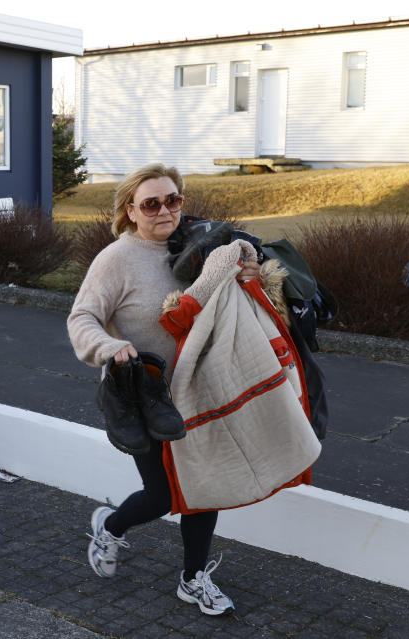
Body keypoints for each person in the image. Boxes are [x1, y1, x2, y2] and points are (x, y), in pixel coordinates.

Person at [67, 163, 260, 616]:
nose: (163, 211)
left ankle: (193, 580)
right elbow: (81, 318)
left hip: (201, 393)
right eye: (150, 203)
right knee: (162, 496)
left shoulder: (197, 245)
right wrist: (109, 345)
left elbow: (229, 293)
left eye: (172, 200)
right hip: (142, 399)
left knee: (205, 489)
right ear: (130, 211)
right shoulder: (116, 260)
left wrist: (250, 270)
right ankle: (111, 526)